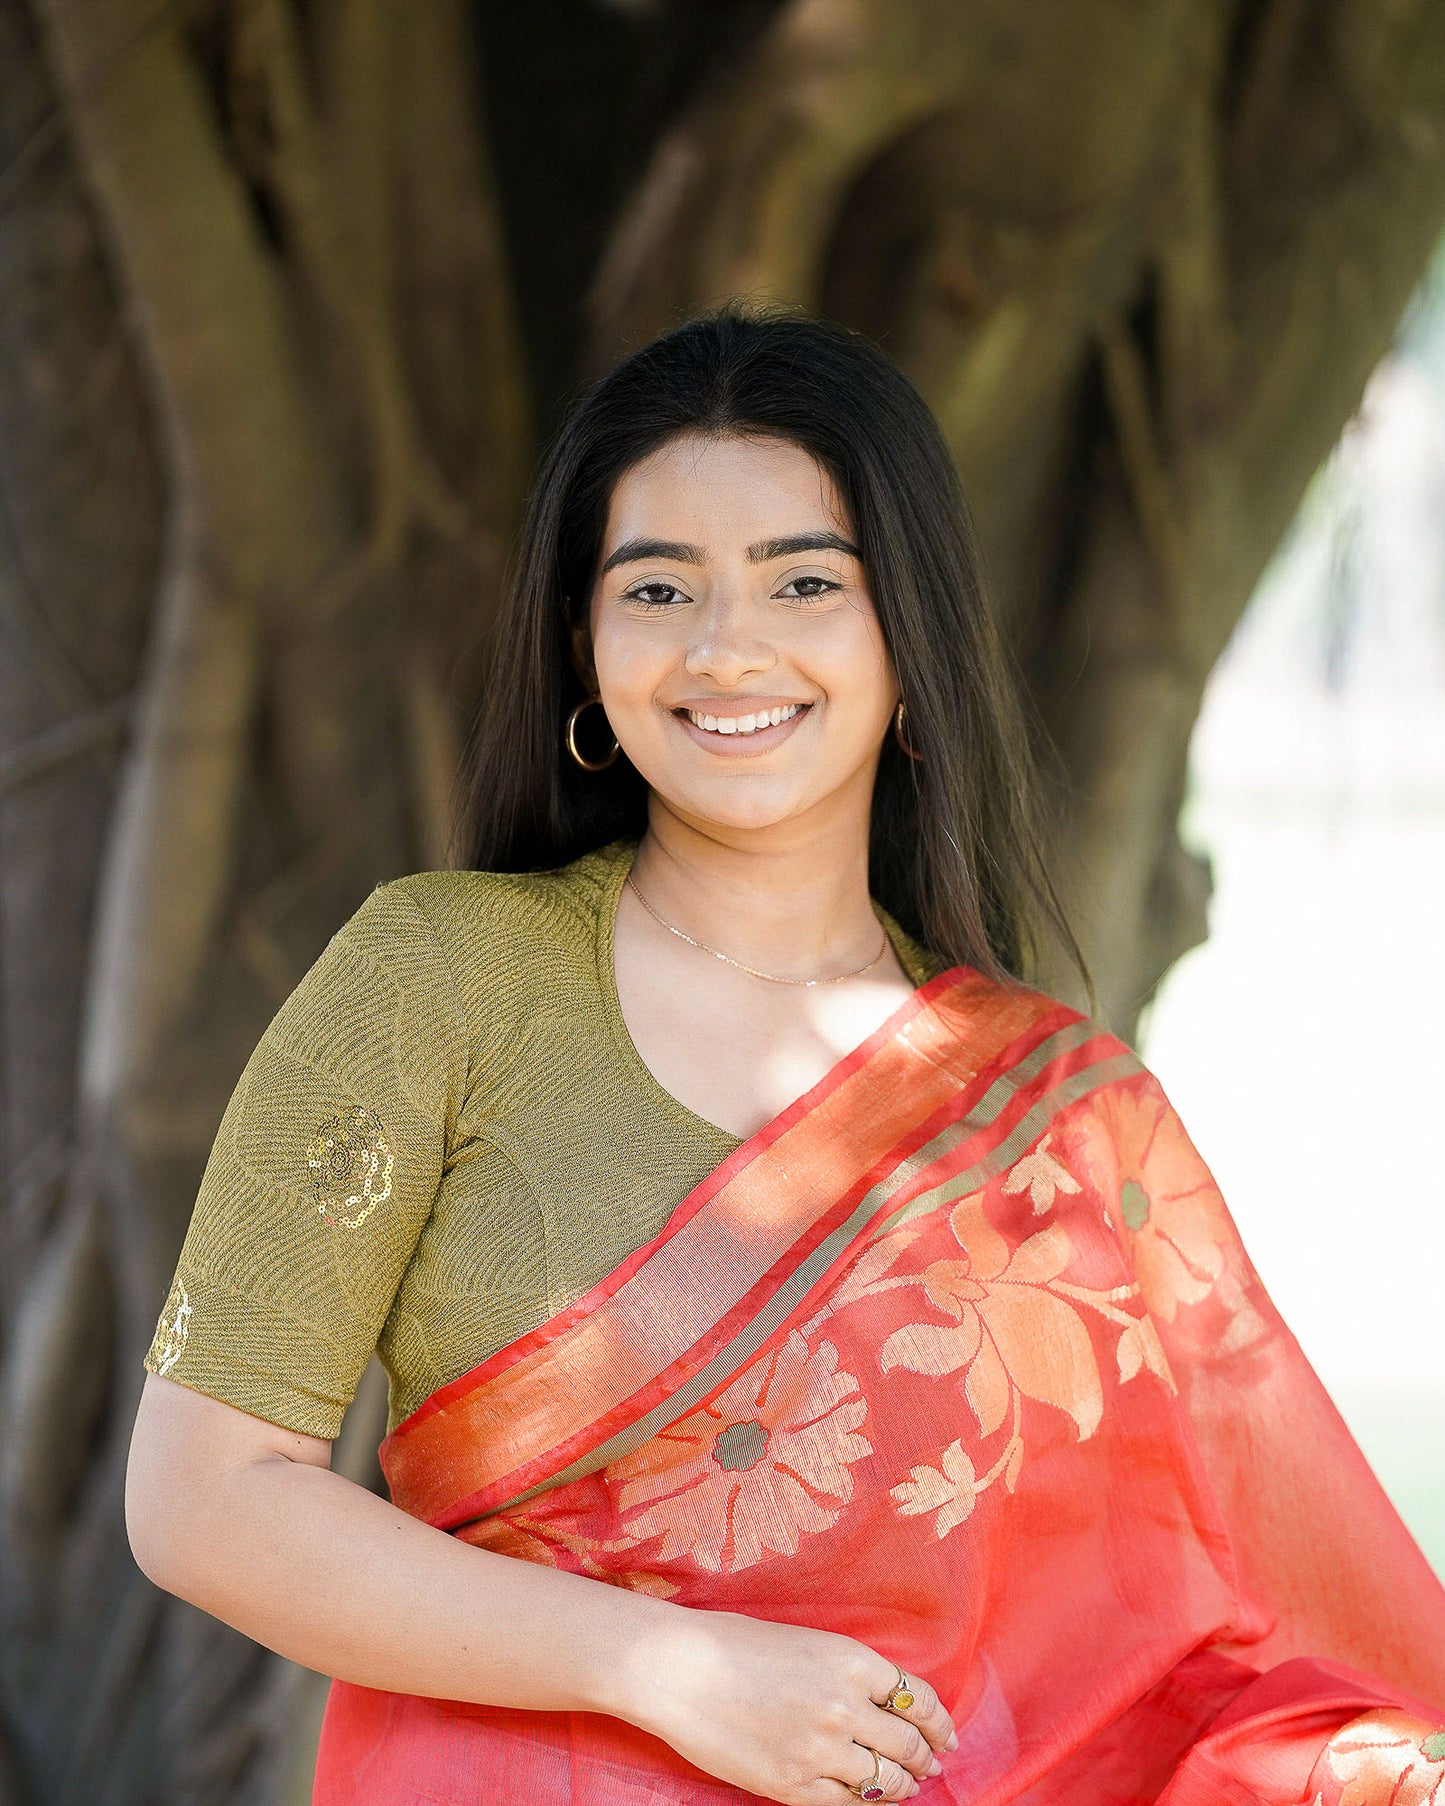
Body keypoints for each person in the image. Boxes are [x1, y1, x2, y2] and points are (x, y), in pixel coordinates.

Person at [127, 302, 1445, 1806]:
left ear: (907, 633)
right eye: (656, 586)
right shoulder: (438, 976)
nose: (723, 646)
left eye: (803, 580)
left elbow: (1196, 1654)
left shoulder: (1058, 1123)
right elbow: (202, 1498)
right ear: (584, 643)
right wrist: (662, 1665)